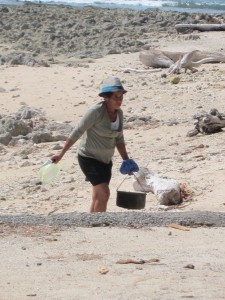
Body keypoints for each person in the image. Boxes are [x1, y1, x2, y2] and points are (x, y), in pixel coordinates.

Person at [51, 76, 138, 213]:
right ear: (106, 97)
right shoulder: (95, 112)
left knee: (99, 196)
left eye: (121, 97)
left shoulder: (119, 114)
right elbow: (77, 131)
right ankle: (99, 226)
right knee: (104, 193)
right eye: (116, 97)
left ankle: (90, 224)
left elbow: (119, 139)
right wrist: (61, 153)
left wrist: (126, 160)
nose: (119, 100)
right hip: (88, 158)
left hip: (106, 161)